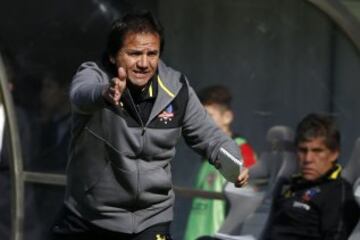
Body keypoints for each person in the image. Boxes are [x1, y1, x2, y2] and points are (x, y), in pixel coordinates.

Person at [51, 10, 248, 240]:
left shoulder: (176, 88)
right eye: (134, 53)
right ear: (114, 56)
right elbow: (80, 95)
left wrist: (233, 162)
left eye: (152, 54)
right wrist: (104, 94)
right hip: (88, 218)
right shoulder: (95, 76)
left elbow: (210, 136)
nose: (144, 63)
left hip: (151, 220)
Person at [262, 113, 360, 240]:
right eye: (303, 150)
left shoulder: (338, 193)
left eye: (317, 151)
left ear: (334, 154)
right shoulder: (287, 184)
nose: (308, 159)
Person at [184, 85, 257, 240]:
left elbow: (251, 199)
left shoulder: (242, 150)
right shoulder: (206, 154)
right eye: (199, 117)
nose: (202, 123)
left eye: (208, 116)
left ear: (227, 117)